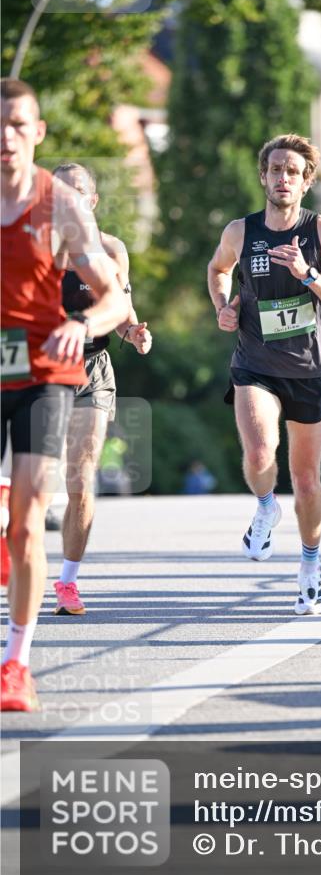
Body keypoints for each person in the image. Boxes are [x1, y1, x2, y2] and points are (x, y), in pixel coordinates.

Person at [1, 78, 127, 711]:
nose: (6, 137)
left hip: (47, 370)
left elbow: (113, 297)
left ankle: (16, 664)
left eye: (18, 125)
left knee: (28, 522)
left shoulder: (62, 207)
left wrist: (84, 323)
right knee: (13, 516)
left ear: (38, 133)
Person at [207, 134, 321, 615]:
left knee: (308, 480)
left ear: (306, 181)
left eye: (293, 171)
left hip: (309, 371)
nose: (283, 178)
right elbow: (217, 269)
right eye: (276, 170)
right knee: (257, 453)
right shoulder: (241, 231)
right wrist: (222, 307)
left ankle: (310, 571)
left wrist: (308, 275)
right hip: (254, 364)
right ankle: (266, 504)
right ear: (263, 176)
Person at [52, 162, 152, 616]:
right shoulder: (32, 247)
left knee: (81, 476)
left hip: (92, 368)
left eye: (78, 192)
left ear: (92, 201)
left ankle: (68, 582)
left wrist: (133, 333)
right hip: (39, 371)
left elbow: (122, 306)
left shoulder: (112, 250)